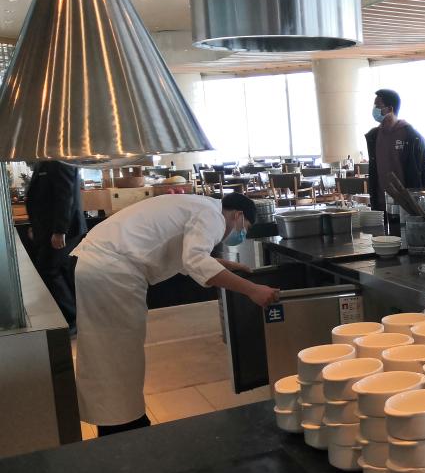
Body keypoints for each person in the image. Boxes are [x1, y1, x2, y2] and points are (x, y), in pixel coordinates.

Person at [72, 193, 279, 437]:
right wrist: (253, 290)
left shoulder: (200, 206)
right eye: (245, 228)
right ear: (238, 215)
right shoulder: (213, 216)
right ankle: (123, 429)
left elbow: (185, 253)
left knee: (108, 351)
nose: (240, 234)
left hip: (101, 263)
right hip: (112, 270)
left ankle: (121, 423)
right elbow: (195, 260)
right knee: (118, 353)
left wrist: (226, 265)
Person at [25, 161, 87, 334]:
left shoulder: (59, 159)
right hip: (48, 228)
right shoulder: (44, 161)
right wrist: (35, 225)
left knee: (49, 270)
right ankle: (76, 319)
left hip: (63, 230)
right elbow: (42, 198)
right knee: (62, 271)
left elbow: (65, 195)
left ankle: (72, 319)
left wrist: (60, 231)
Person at [365, 88, 425, 210]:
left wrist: (419, 198)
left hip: (408, 205)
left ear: (390, 109)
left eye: (378, 106)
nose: (374, 109)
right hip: (381, 204)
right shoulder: (373, 136)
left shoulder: (411, 135)